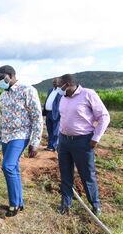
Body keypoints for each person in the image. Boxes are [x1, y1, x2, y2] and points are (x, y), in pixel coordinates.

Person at [0, 65, 43, 217]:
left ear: (11, 76)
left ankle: (13, 205)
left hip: (21, 134)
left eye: (2, 78)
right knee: (13, 168)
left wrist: (35, 142)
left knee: (7, 166)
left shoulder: (28, 90)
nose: (0, 81)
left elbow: (37, 117)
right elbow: (1, 120)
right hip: (6, 136)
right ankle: (19, 203)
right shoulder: (3, 96)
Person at [57, 74, 110, 217]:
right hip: (64, 141)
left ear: (67, 84)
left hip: (83, 141)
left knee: (87, 175)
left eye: (59, 85)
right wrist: (59, 140)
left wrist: (96, 137)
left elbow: (104, 116)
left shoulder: (88, 94)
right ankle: (66, 205)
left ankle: (95, 205)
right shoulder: (63, 98)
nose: (57, 88)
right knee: (65, 174)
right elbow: (64, 119)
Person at [42, 78, 62, 151]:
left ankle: (54, 146)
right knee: (49, 130)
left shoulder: (61, 91)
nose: (54, 83)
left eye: (56, 82)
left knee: (55, 131)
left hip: (56, 113)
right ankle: (49, 145)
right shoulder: (51, 90)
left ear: (60, 83)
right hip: (48, 113)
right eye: (53, 82)